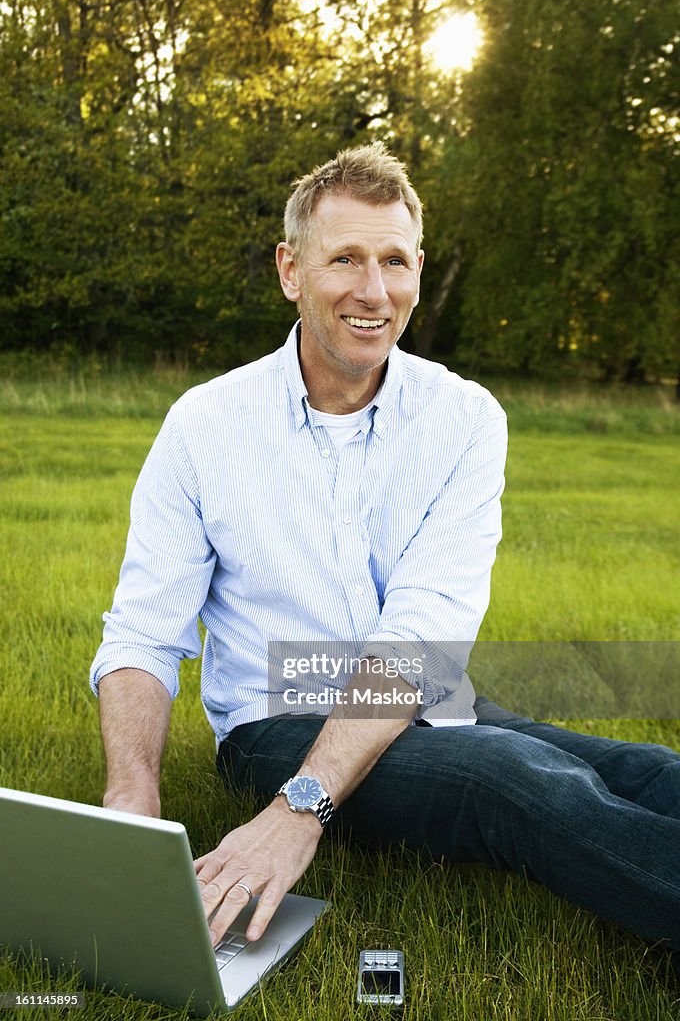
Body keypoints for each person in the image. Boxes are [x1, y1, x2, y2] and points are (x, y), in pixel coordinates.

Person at [90, 143, 680, 961]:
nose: (374, 292)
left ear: (417, 269)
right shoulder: (203, 426)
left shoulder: (464, 418)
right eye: (346, 260)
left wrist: (300, 816)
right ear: (291, 270)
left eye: (395, 261)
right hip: (275, 717)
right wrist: (133, 799)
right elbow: (144, 636)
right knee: (517, 783)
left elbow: (424, 634)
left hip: (420, 691)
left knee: (643, 769)